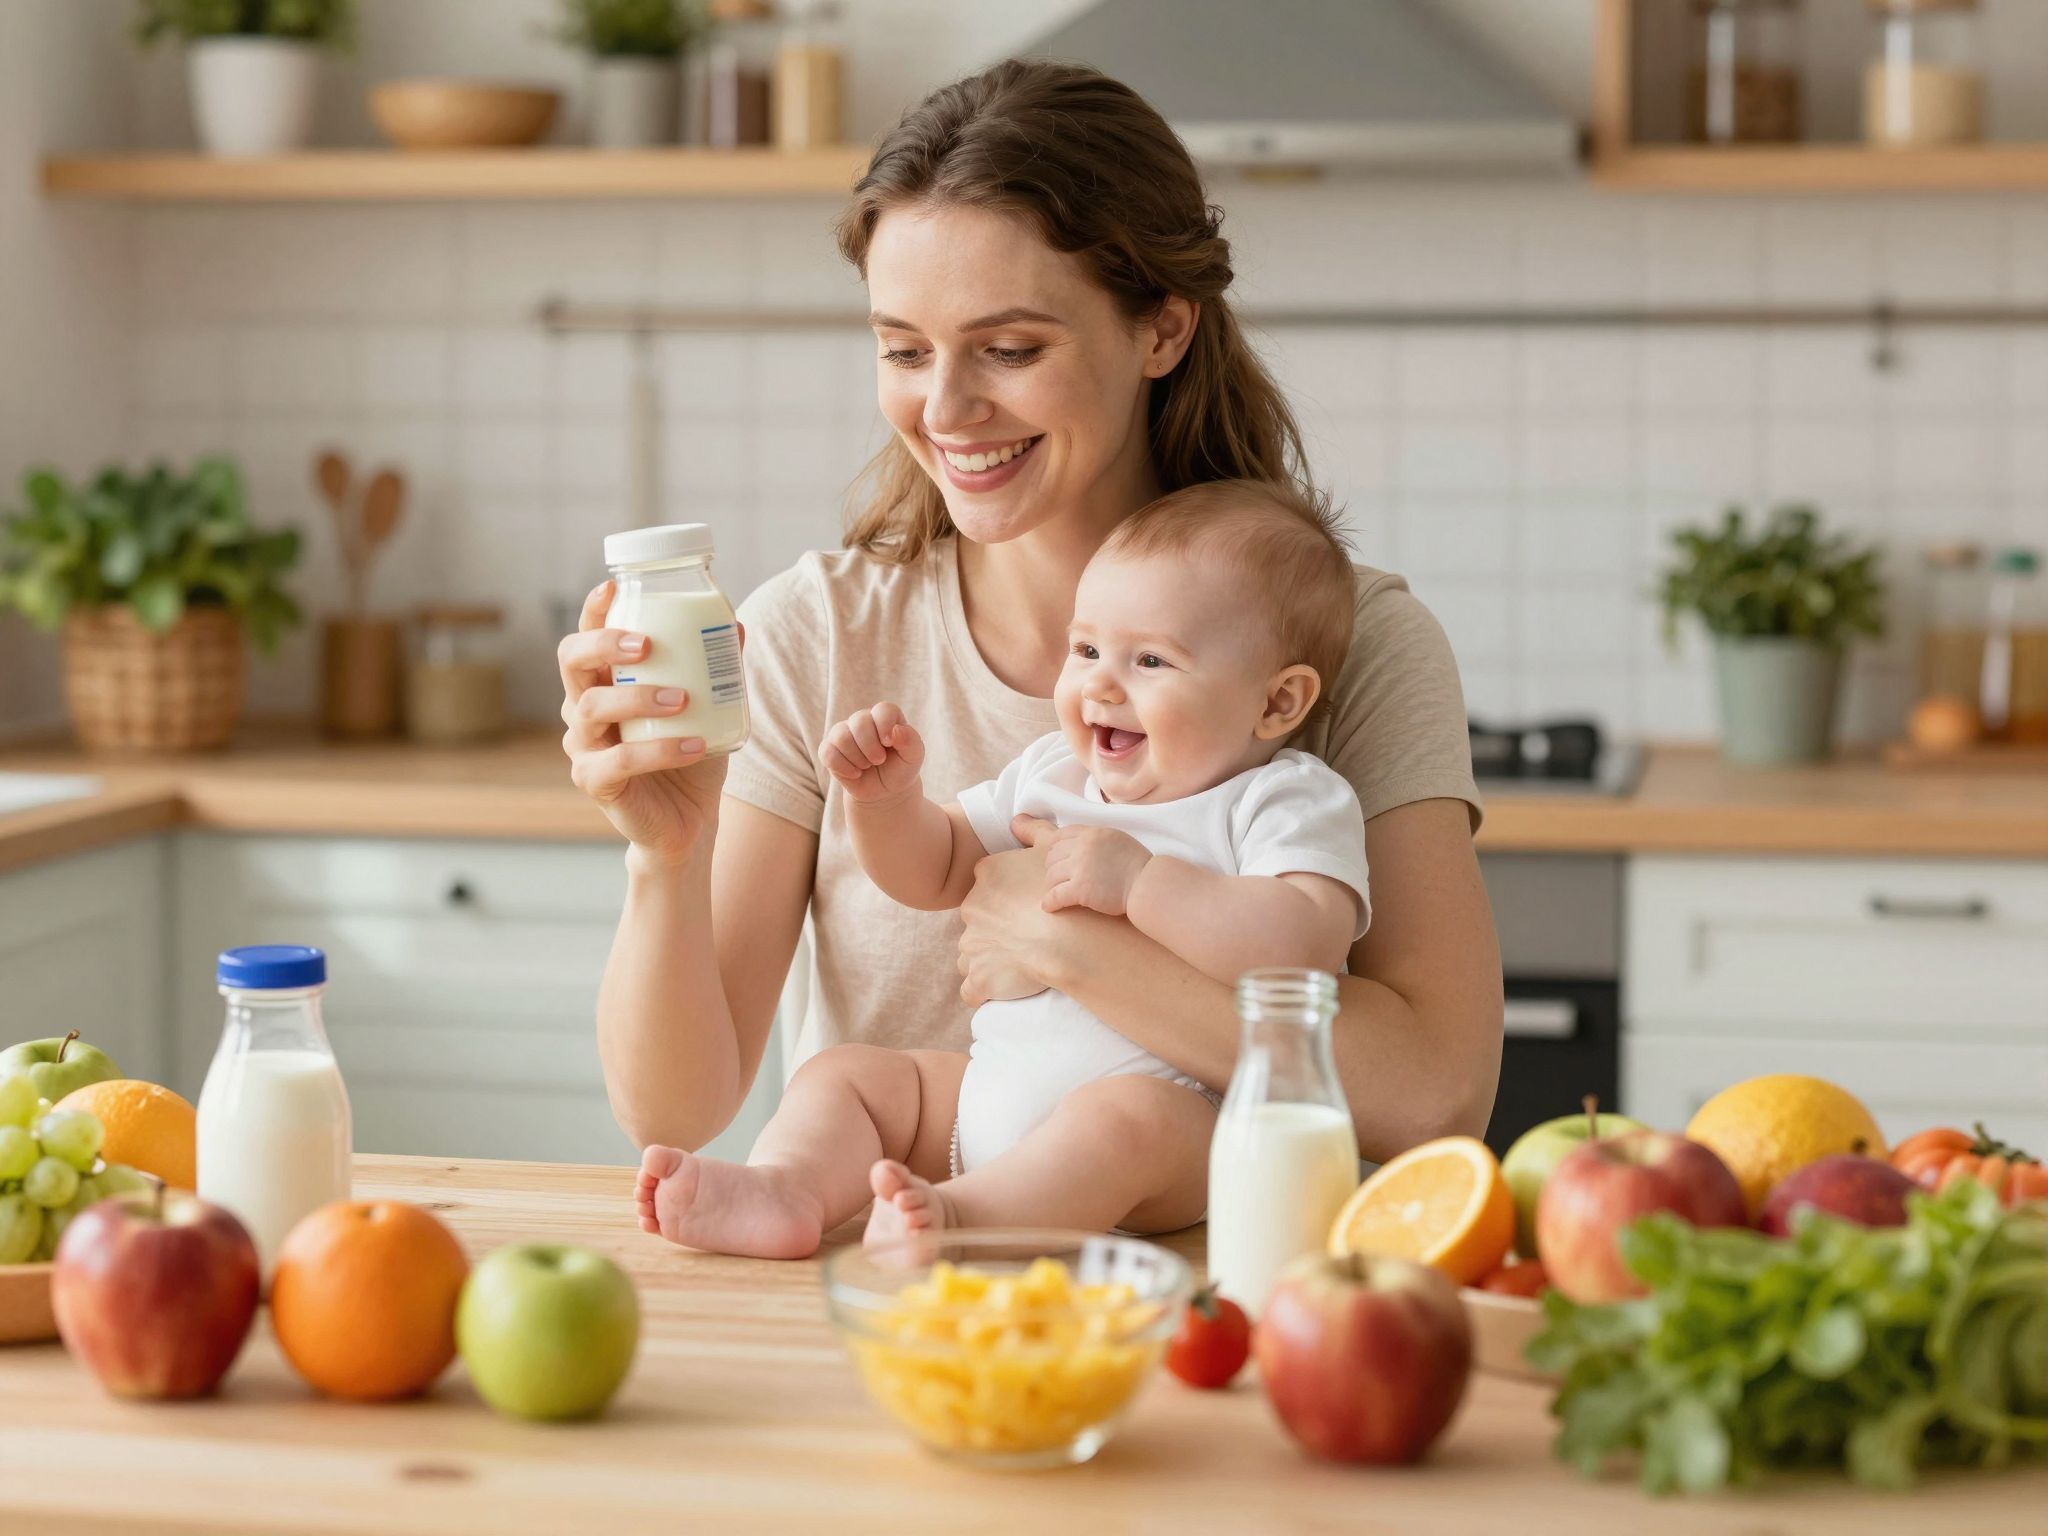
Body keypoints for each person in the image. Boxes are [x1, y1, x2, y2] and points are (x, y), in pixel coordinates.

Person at [555, 59, 1502, 1219]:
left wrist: (1067, 948)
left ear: (1161, 329)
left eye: (1006, 350)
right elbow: (675, 1109)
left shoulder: (1354, 646)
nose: (945, 412)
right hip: (896, 1316)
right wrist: (664, 854)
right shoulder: (813, 634)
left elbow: (1436, 1096)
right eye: (903, 350)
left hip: (1232, 1309)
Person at [634, 482, 1370, 1255]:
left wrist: (1140, 883)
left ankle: (962, 1221)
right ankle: (788, 1186)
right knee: (847, 1076)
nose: (1101, 685)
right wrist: (887, 806)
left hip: (1178, 1133)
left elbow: (1302, 946)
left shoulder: (1284, 798)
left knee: (1126, 1119)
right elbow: (942, 869)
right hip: (983, 1101)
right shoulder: (1054, 771)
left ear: (1278, 702)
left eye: (1151, 660)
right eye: (1086, 650)